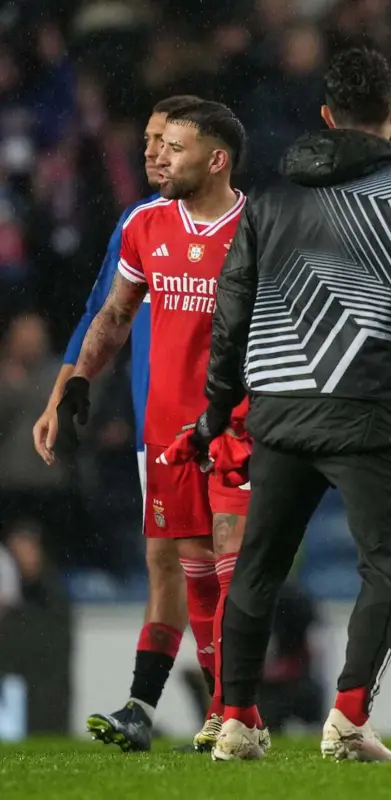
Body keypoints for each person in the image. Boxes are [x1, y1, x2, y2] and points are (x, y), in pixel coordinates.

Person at [200, 47, 391, 763]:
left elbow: (229, 317)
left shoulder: (267, 199)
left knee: (258, 566)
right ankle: (349, 717)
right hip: (371, 408)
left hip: (281, 410)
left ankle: (236, 718)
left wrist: (217, 409)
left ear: (325, 118)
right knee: (385, 566)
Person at [54, 99, 265, 753]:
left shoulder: (261, 226)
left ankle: (238, 710)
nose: (155, 155)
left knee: (233, 563)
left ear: (215, 158)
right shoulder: (144, 224)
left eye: (170, 145)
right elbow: (111, 313)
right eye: (153, 143)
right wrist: (75, 379)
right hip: (166, 430)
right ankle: (218, 710)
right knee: (189, 566)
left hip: (238, 424)